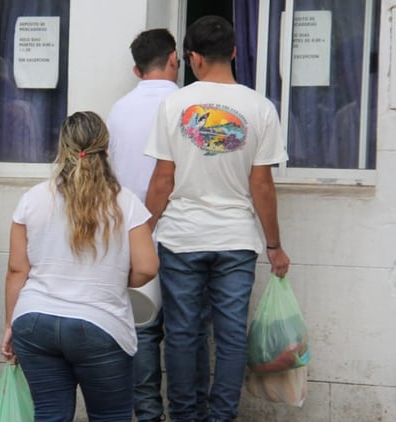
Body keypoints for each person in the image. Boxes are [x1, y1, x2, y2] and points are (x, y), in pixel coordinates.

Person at [144, 16, 291, 422]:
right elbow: (262, 186)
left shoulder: (173, 104)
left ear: (192, 57)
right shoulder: (260, 107)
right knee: (229, 338)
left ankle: (185, 415)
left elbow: (162, 179)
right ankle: (222, 416)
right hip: (237, 240)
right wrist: (274, 246)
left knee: (181, 333)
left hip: (181, 238)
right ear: (233, 52)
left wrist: (142, 232)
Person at [2, 111, 159, 421]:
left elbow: (17, 270)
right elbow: (147, 268)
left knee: (50, 415)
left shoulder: (32, 199)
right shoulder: (124, 202)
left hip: (34, 321)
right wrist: (112, 278)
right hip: (99, 324)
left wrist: (10, 326)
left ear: (62, 148)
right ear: (106, 149)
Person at [107, 28, 212, 422]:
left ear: (136, 69)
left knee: (144, 328)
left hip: (133, 234)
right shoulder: (187, 104)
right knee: (189, 330)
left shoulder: (117, 110)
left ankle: (148, 413)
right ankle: (191, 413)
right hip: (183, 230)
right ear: (175, 60)